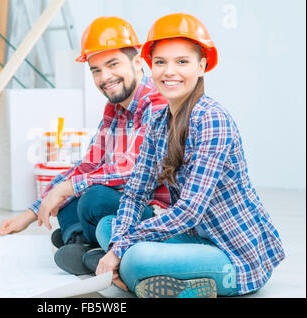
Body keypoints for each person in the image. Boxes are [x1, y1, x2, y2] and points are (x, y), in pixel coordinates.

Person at [94, 13, 286, 298]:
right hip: (196, 237)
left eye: (182, 62)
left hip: (233, 253)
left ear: (202, 65)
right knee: (107, 227)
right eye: (160, 62)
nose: (169, 72)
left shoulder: (212, 119)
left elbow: (189, 211)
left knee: (135, 258)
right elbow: (135, 194)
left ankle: (143, 274)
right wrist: (117, 243)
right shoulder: (159, 124)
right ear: (151, 67)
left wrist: (121, 249)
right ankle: (150, 276)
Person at [0, 16, 170, 275]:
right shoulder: (114, 109)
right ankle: (83, 245)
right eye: (96, 70)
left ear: (136, 62)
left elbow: (134, 170)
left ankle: (79, 239)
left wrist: (68, 188)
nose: (104, 77)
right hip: (127, 203)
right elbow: (88, 164)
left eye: (112, 65)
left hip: (155, 211)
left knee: (92, 197)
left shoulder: (157, 103)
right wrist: (32, 212)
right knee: (69, 197)